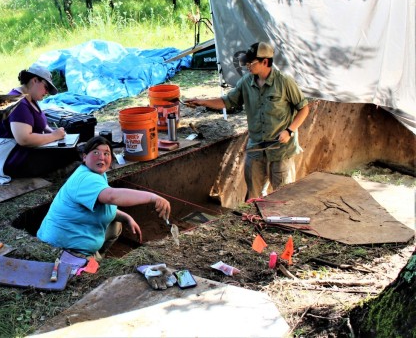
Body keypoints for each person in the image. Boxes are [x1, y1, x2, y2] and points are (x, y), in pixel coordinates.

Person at [184, 42, 309, 199]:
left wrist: (289, 131)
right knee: (254, 196)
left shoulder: (284, 82)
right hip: (256, 148)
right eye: (247, 62)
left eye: (251, 62)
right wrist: (203, 102)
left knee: (284, 196)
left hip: (281, 150)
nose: (247, 65)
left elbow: (304, 108)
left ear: (265, 61)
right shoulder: (246, 82)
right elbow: (227, 101)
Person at [37, 136, 171, 259]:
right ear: (84, 157)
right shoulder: (85, 178)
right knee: (92, 276)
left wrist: (127, 217)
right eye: (95, 152)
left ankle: (99, 255)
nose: (101, 157)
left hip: (74, 237)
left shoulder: (97, 174)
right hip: (64, 249)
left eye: (106, 153)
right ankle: (93, 260)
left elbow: (104, 205)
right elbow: (112, 196)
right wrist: (153, 197)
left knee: (116, 224)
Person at [0, 64, 78, 183]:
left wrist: (51, 131)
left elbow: (39, 125)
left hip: (19, 153)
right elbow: (24, 139)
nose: (46, 92)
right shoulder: (19, 103)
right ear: (35, 80)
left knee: (74, 151)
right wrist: (54, 136)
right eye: (46, 87)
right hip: (10, 159)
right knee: (72, 155)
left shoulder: (29, 98)